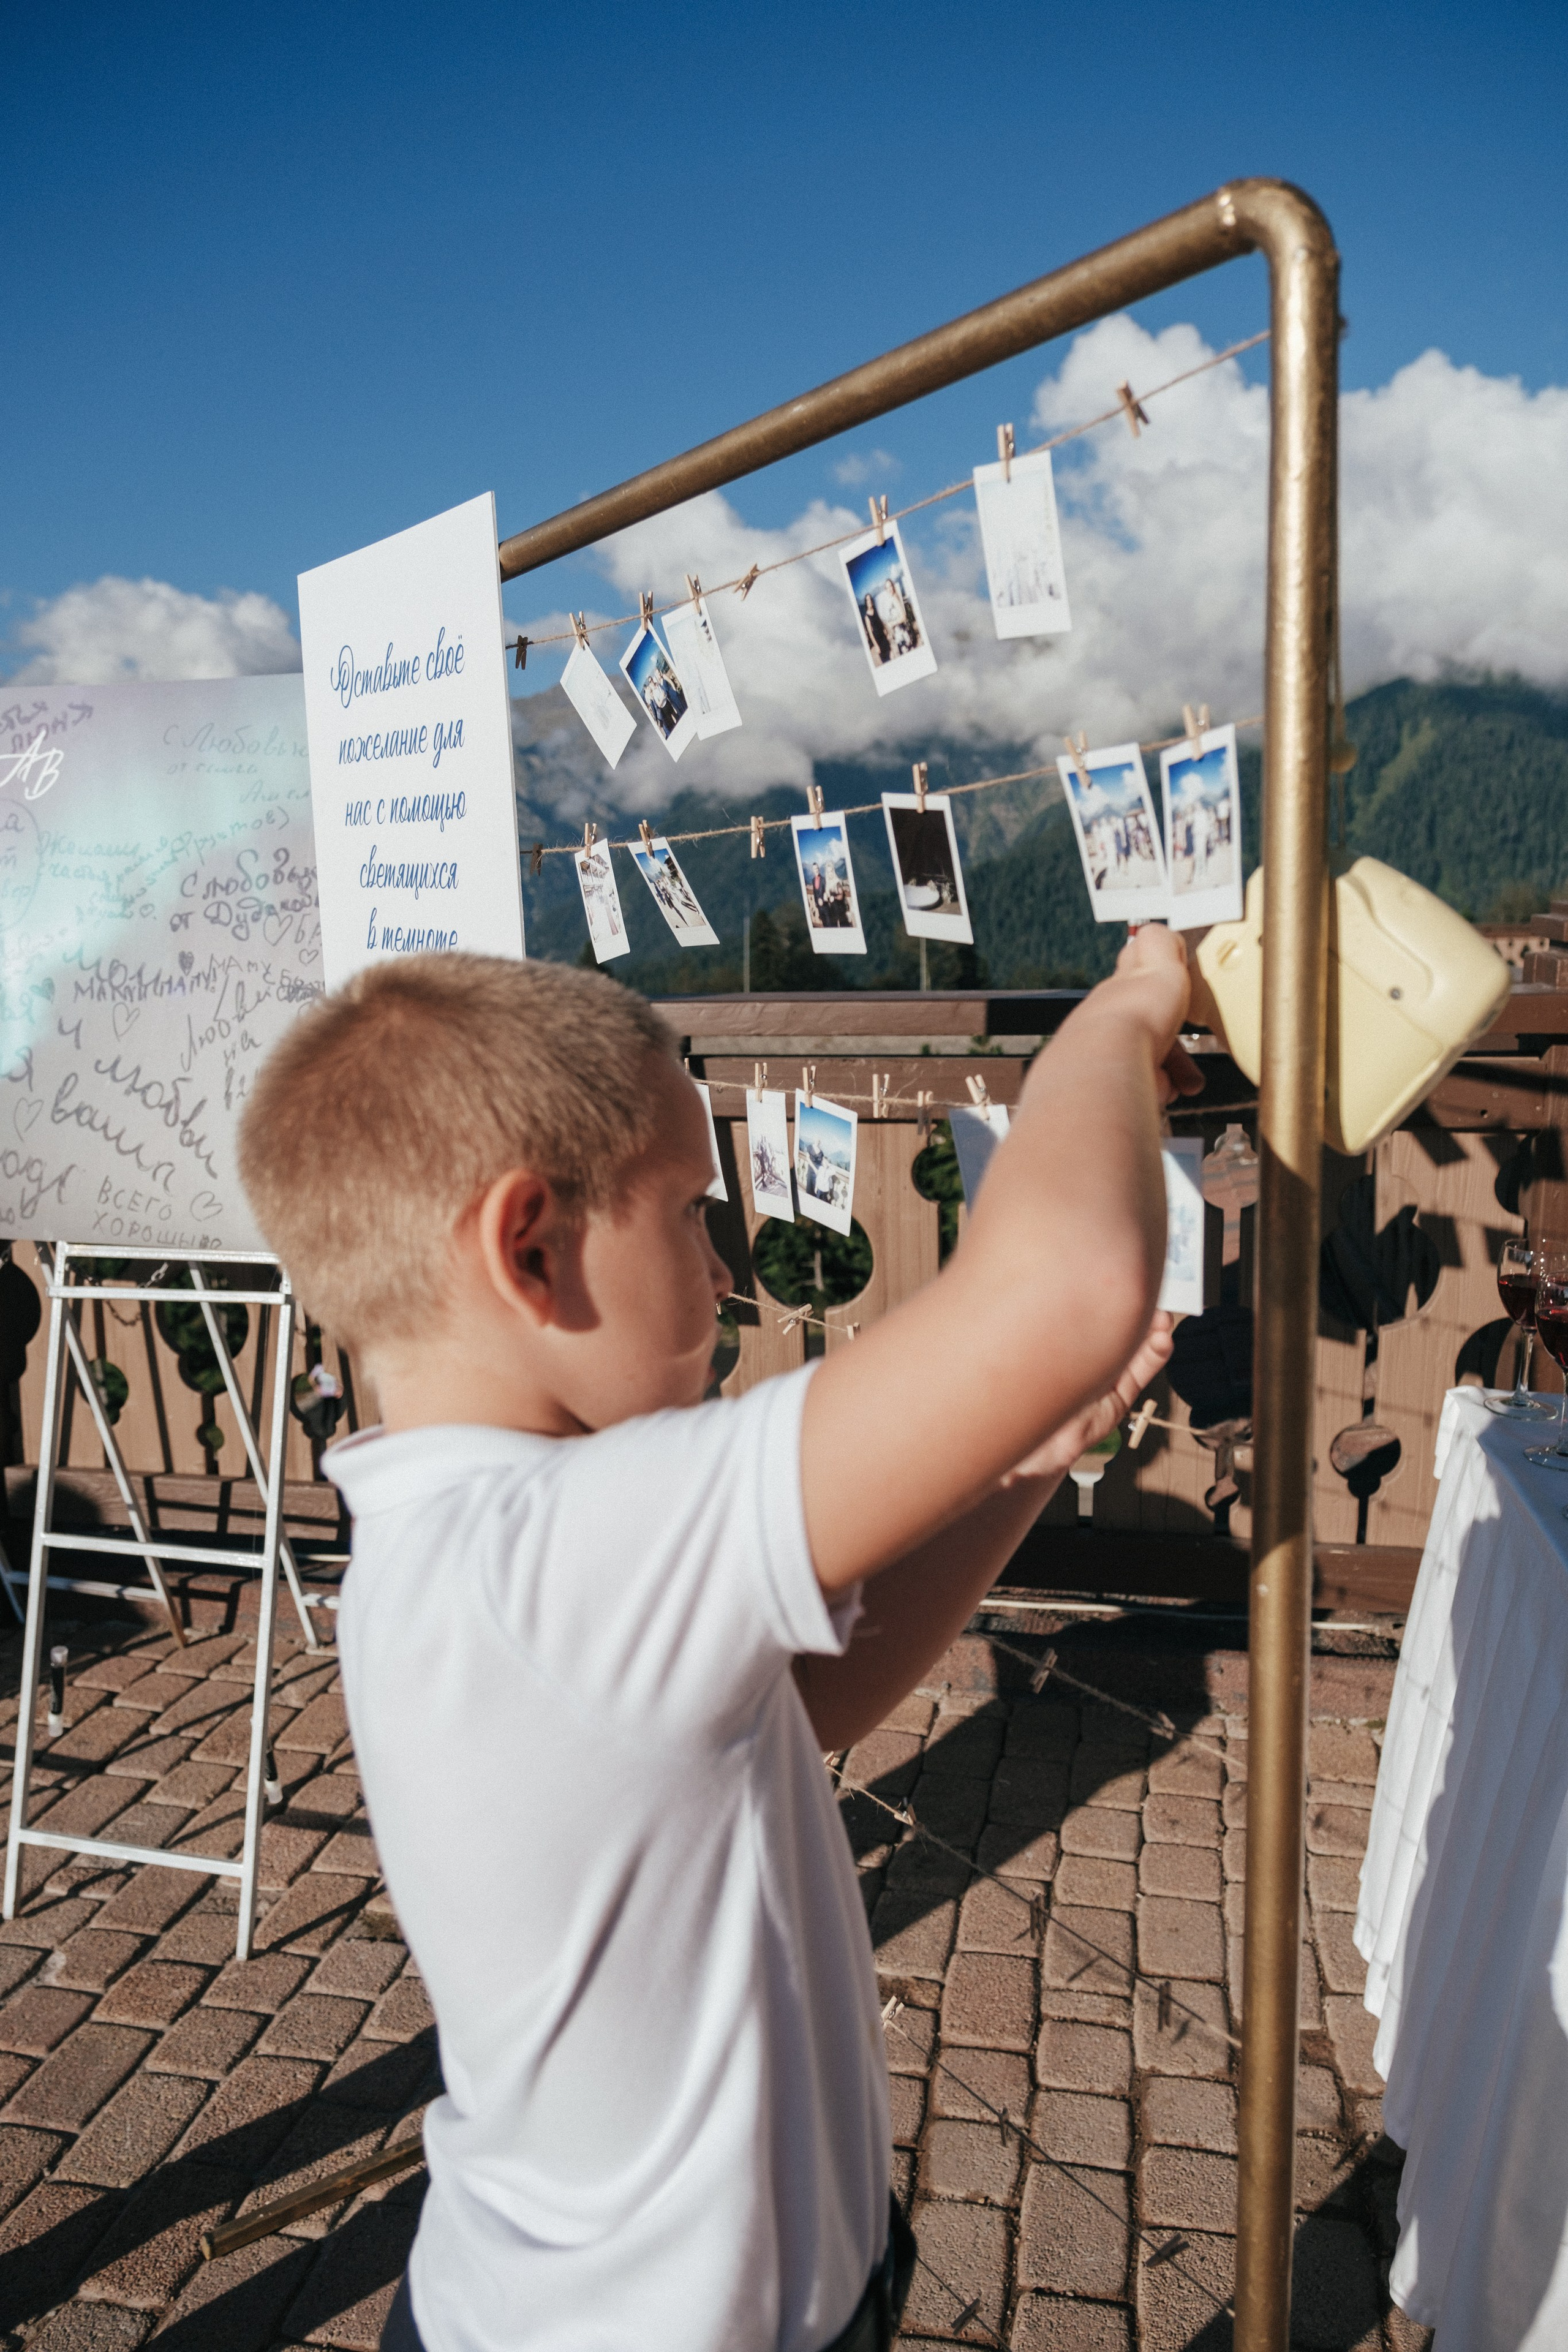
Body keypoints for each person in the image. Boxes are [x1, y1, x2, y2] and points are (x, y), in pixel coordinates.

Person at [236, 933, 1198, 2352]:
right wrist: (1117, 1017)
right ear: (531, 1249)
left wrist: (1027, 1452)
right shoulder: (556, 1553)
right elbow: (1062, 1290)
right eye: (691, 1211)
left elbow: (813, 1703)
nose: (729, 1263)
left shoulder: (468, 1545)